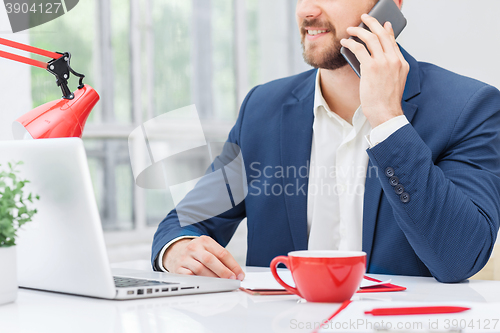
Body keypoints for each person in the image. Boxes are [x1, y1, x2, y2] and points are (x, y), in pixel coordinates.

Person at [152, 0, 500, 283]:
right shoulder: (262, 108)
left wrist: (388, 121)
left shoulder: (469, 108)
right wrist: (178, 249)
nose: (307, 10)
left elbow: (460, 257)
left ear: (390, 6)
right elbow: (186, 220)